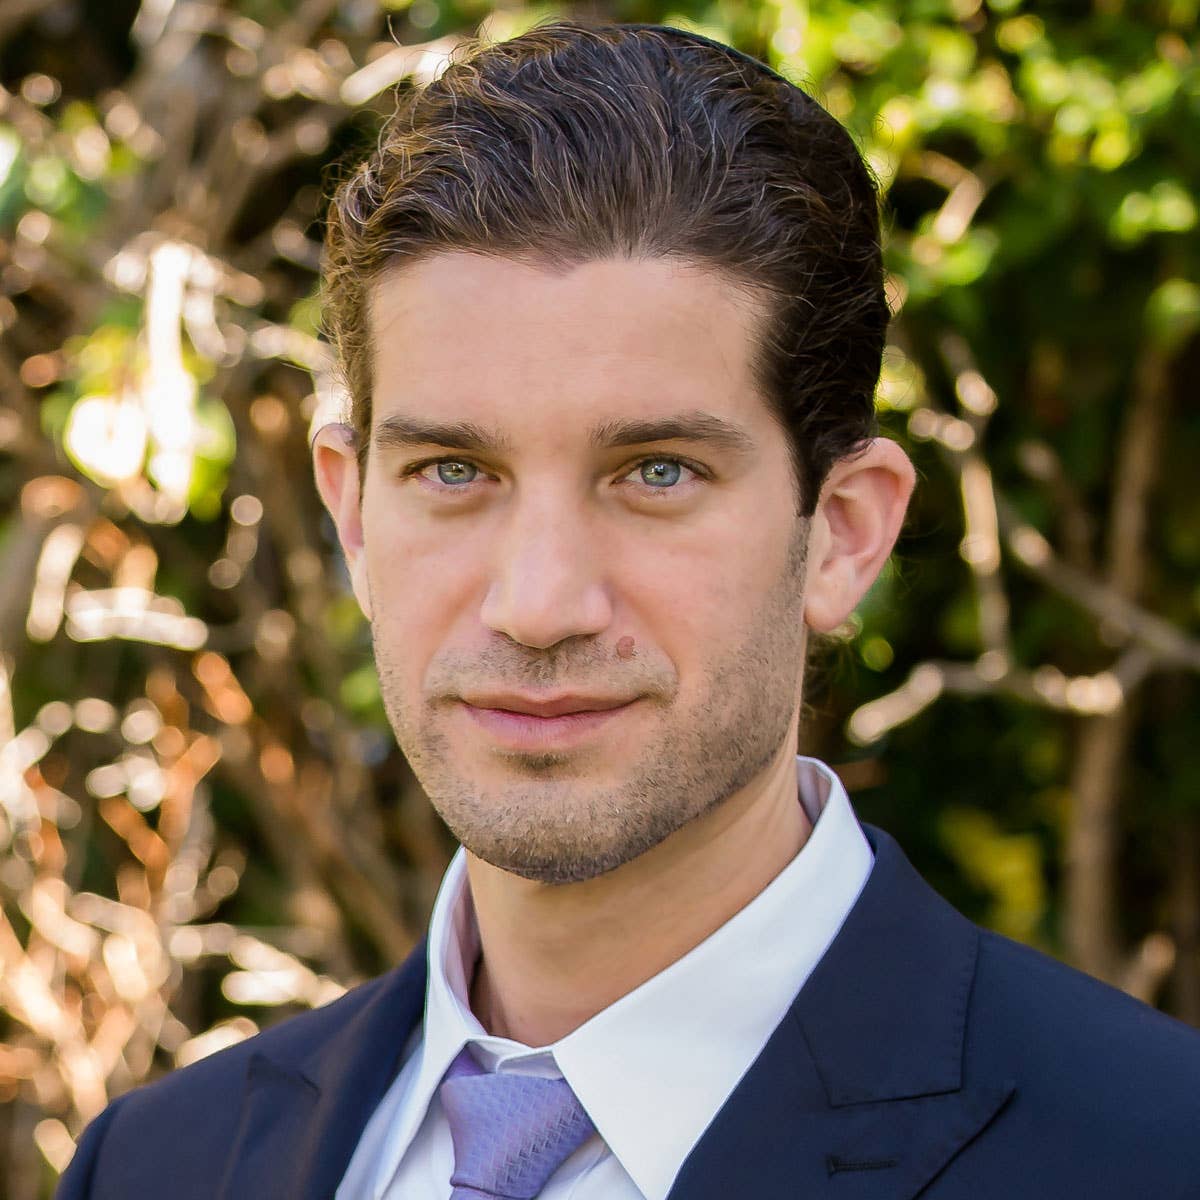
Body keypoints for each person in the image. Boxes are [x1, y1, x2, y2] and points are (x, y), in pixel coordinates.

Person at [58, 19, 1200, 1200]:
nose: (539, 605)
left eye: (656, 473)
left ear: (844, 531)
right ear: (353, 512)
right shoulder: (153, 1168)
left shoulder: (1155, 1156)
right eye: (453, 471)